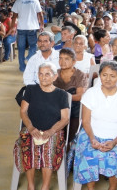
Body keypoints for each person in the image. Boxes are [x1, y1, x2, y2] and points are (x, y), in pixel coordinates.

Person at [73, 61, 117, 188]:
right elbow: (85, 121)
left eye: (112, 76)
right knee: (89, 154)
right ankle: (90, 188)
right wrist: (93, 139)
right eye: (104, 75)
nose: (108, 79)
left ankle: (112, 187)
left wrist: (114, 142)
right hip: (91, 134)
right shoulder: (91, 93)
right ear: (99, 75)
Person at [14, 62, 70, 190]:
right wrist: (31, 128)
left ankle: (45, 186)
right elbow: (23, 112)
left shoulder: (61, 94)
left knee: (48, 148)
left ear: (55, 77)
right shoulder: (30, 90)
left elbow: (65, 119)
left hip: (53, 131)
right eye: (41, 74)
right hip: (31, 128)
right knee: (28, 145)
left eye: (47, 74)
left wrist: (51, 131)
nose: (43, 77)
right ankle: (31, 185)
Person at [55, 48, 88, 141]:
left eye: (66, 59)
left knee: (72, 135)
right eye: (60, 58)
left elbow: (79, 96)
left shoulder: (79, 75)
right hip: (56, 109)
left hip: (74, 110)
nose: (62, 62)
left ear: (74, 61)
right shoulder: (54, 73)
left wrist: (62, 96)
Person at [10, 0, 44, 72]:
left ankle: (22, 67)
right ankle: (29, 58)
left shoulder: (18, 1)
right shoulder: (35, 0)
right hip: (32, 28)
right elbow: (40, 14)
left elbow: (14, 17)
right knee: (33, 46)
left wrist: (12, 27)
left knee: (21, 48)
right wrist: (42, 25)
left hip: (21, 28)